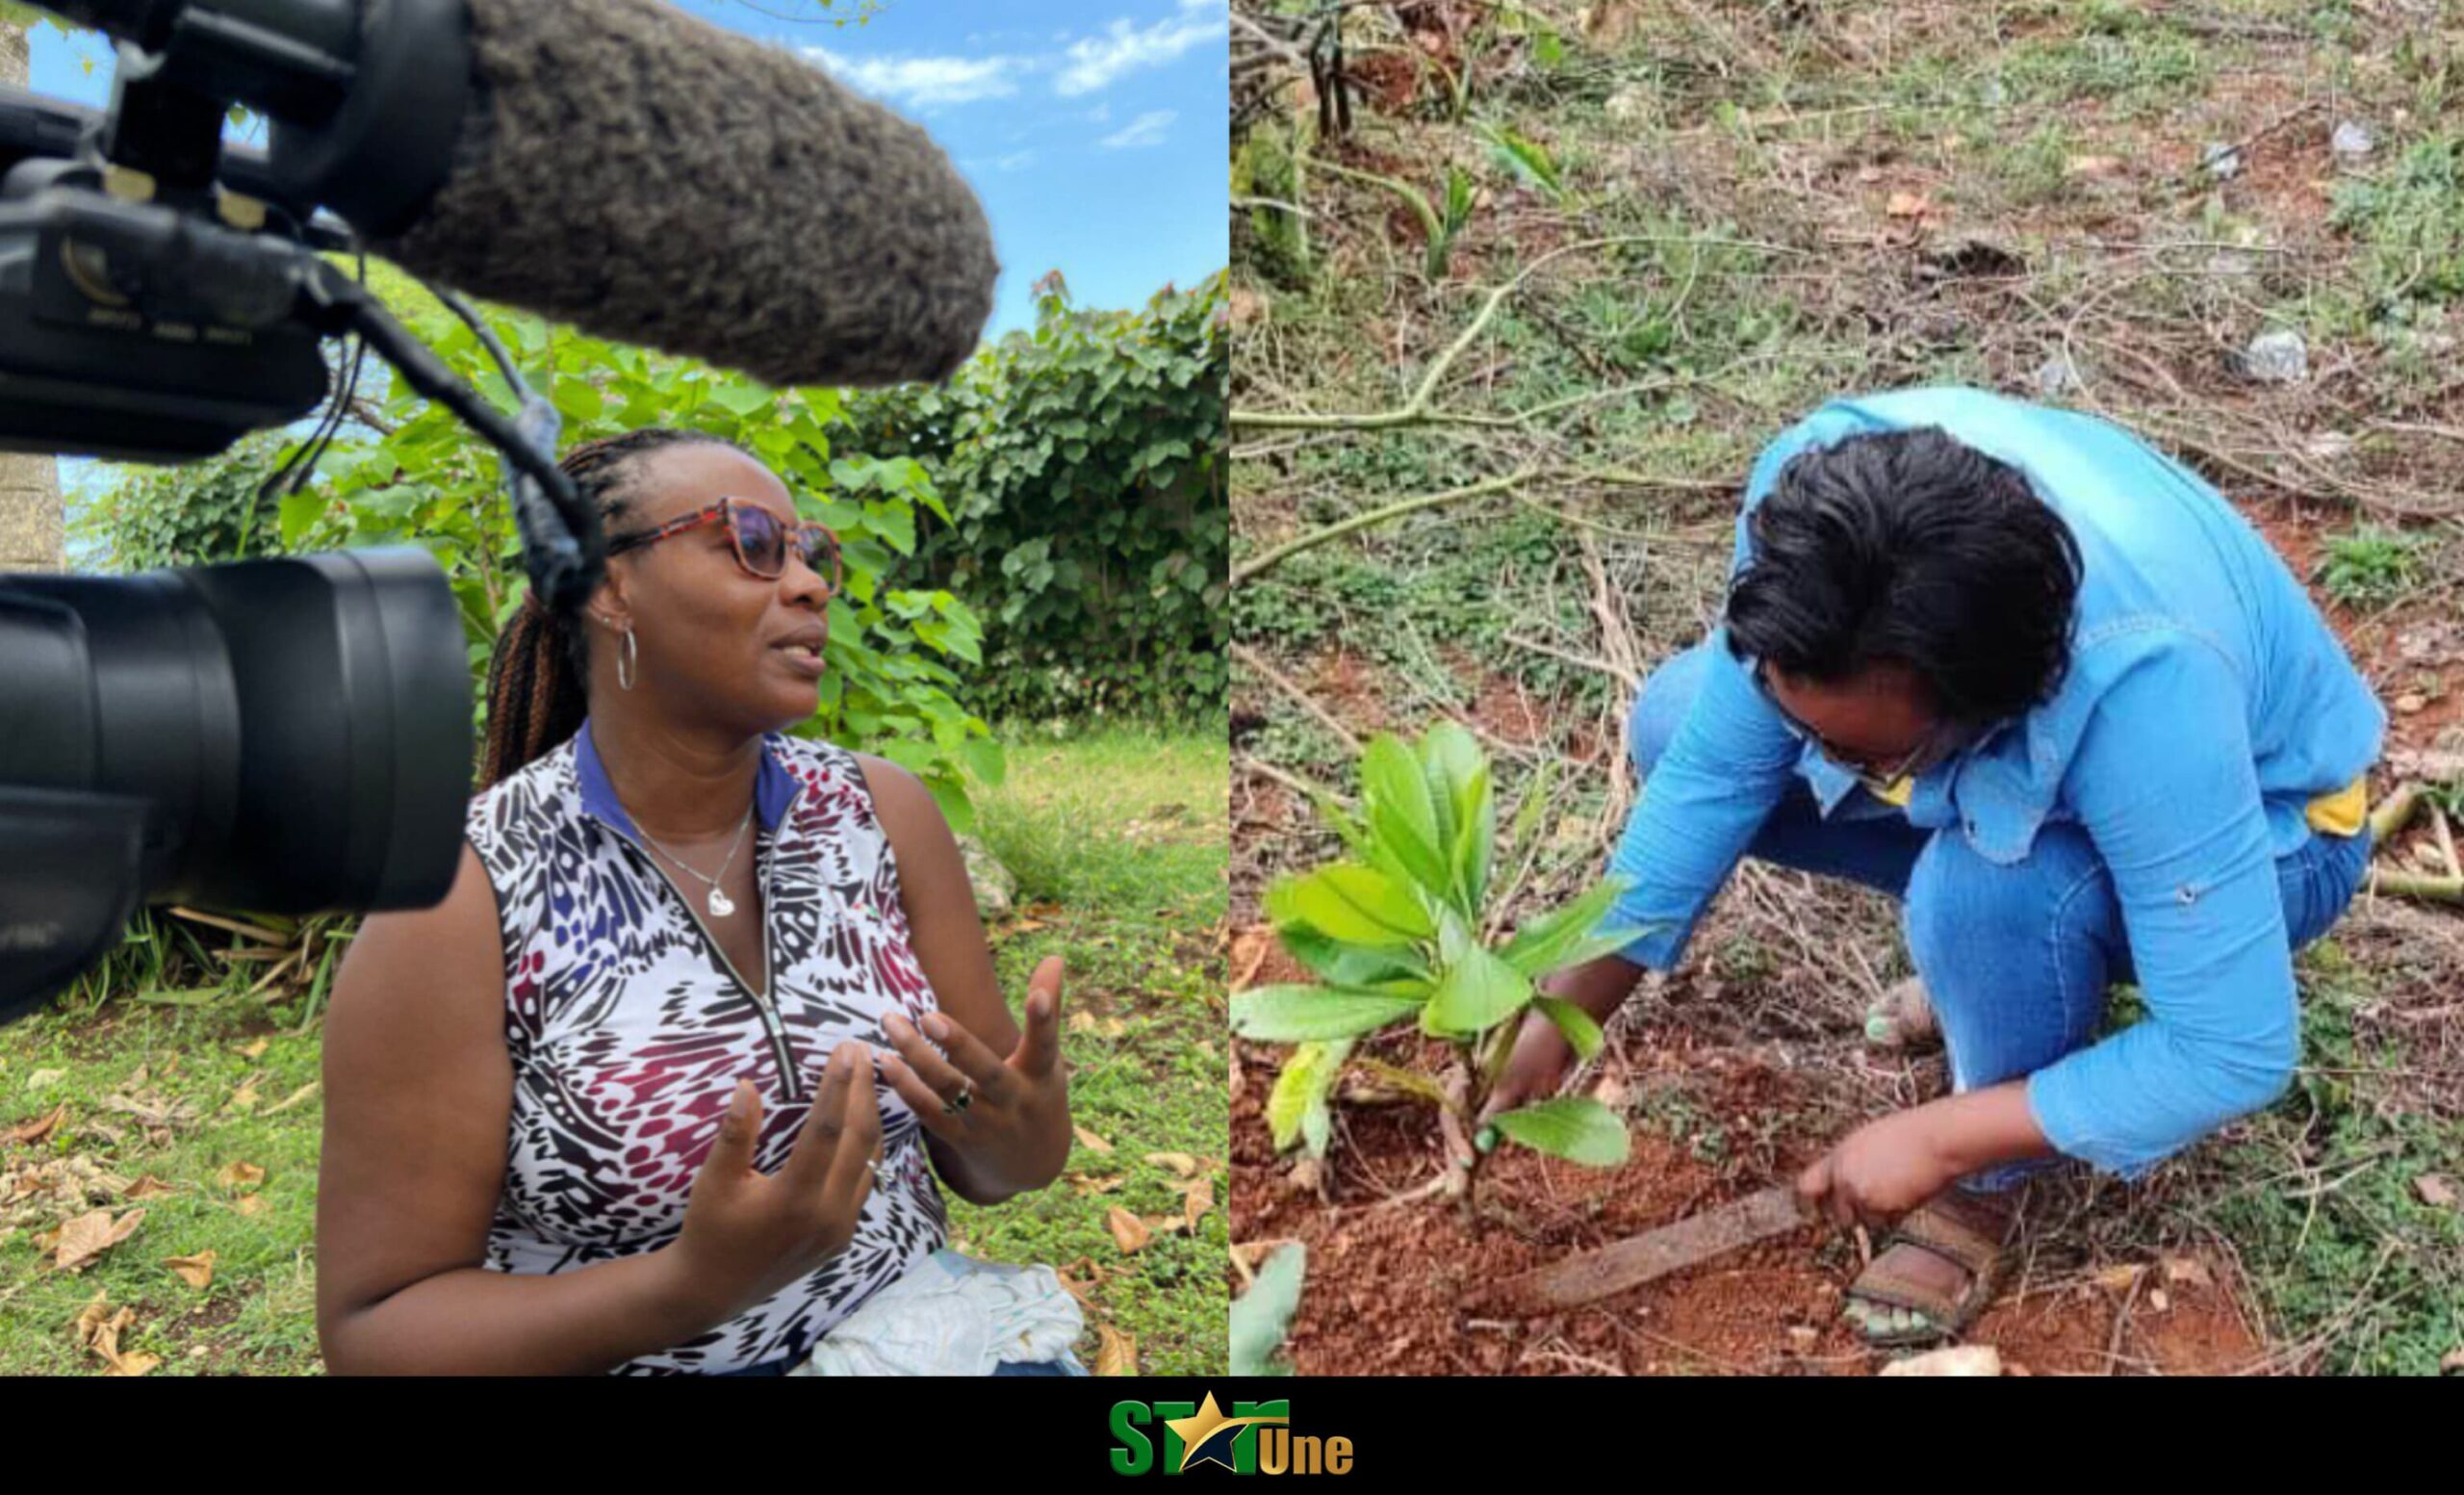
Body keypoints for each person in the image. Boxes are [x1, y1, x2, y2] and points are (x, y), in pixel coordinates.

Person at [1478, 387, 2383, 1346]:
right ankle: (2002, 979)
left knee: (1985, 892)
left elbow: (2230, 1049)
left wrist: (1941, 1137)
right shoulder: (1818, 510)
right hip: (2036, 761)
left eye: (1869, 757)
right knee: (1678, 718)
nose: (1823, 763)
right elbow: (1712, 765)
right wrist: (1565, 1007)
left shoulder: (2147, 690)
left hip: (2282, 835)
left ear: (1992, 709)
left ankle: (1987, 1185)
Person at [314, 427, 1081, 1375]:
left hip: (914, 1336)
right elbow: (374, 1329)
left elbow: (995, 1164)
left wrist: (1024, 1128)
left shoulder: (879, 814)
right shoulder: (459, 895)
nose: (806, 583)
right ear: (604, 585)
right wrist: (689, 1286)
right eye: (752, 543)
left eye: (810, 551)